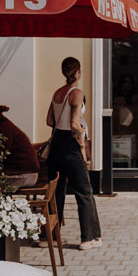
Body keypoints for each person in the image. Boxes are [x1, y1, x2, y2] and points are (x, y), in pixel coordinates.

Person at [46, 57, 102, 251]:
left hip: (56, 147)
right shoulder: (77, 93)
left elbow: (49, 120)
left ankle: (49, 238)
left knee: (56, 192)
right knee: (84, 192)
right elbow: (74, 124)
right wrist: (81, 147)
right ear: (78, 72)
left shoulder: (57, 93)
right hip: (71, 145)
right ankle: (90, 238)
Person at [0, 102, 40, 190]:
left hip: (25, 175)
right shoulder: (5, 126)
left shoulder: (4, 128)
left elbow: (1, 154)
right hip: (27, 173)